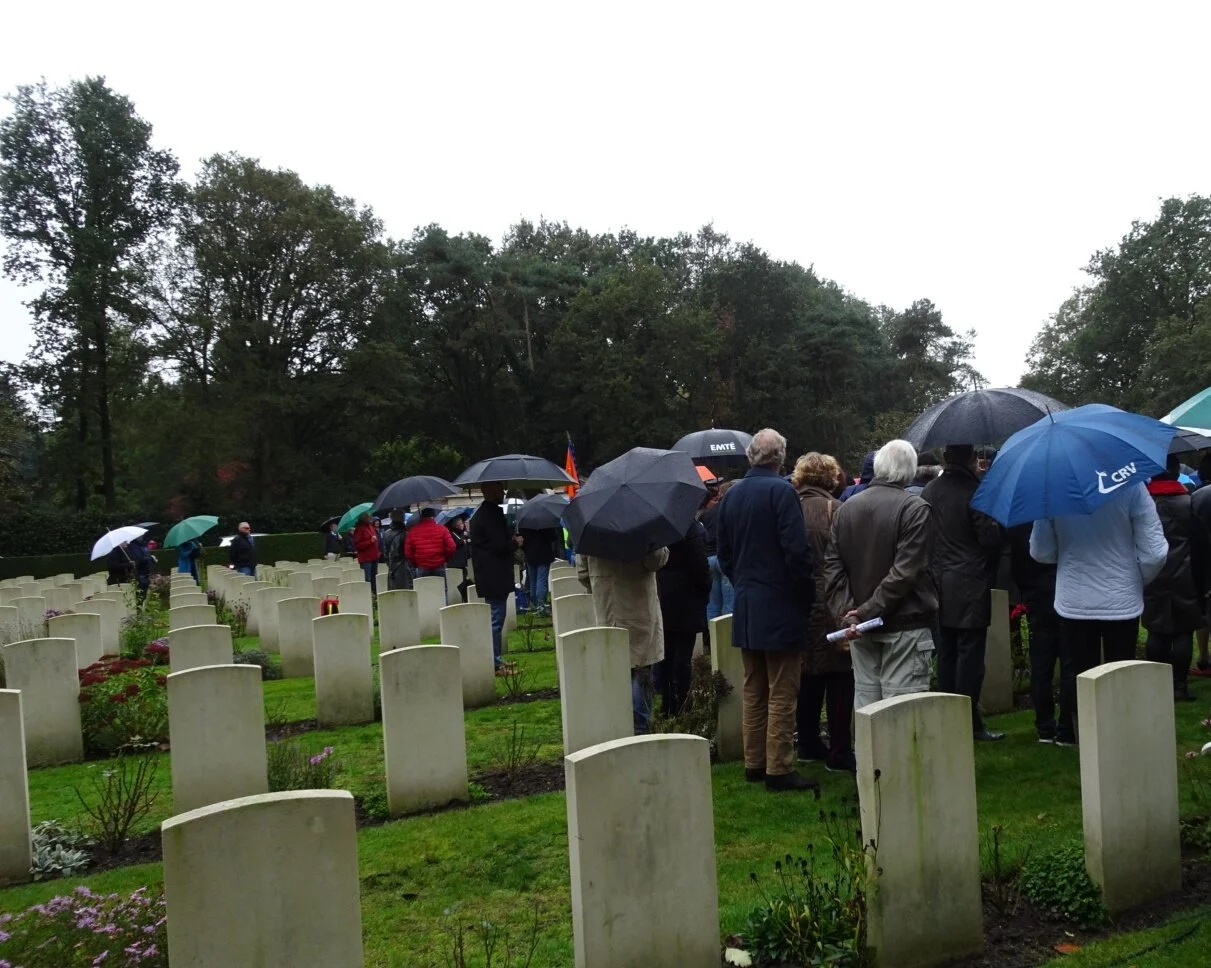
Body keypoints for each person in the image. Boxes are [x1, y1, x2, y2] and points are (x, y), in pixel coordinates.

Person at [716, 428, 817, 793]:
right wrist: (806, 594)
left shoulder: (731, 495)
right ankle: (778, 767)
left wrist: (745, 584)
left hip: (747, 603)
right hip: (780, 603)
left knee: (754, 687)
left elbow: (724, 554)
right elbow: (796, 552)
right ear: (781, 457)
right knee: (782, 689)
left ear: (751, 456)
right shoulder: (782, 492)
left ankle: (754, 761)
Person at [1031, 480, 1168, 746]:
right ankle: (1122, 736)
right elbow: (1155, 553)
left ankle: (1078, 736)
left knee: (1079, 673)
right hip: (1121, 597)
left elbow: (1040, 551)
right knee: (1121, 672)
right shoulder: (1131, 485)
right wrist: (1138, 579)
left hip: (1076, 597)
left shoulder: (1054, 488)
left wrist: (1069, 553)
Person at [824, 440, 938, 712]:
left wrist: (850, 614)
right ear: (910, 470)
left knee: (868, 711)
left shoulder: (846, 508)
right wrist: (860, 615)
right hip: (903, 626)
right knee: (901, 713)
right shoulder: (914, 509)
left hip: (862, 627)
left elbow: (832, 569)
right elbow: (905, 572)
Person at [921, 445, 1006, 741]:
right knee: (970, 656)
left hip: (938, 579)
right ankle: (970, 722)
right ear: (970, 459)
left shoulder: (929, 491)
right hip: (969, 581)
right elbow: (989, 538)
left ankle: (948, 716)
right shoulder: (975, 491)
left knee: (946, 652)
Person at [792, 452, 855, 773]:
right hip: (833, 601)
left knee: (807, 674)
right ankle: (839, 750)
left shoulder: (788, 509)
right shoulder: (838, 510)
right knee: (841, 675)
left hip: (798, 602)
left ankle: (807, 742)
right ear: (831, 477)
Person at [578, 545, 670, 734]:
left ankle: (618, 725)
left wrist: (601, 587)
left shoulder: (592, 533)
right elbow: (655, 561)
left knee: (615, 669)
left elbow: (583, 573)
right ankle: (640, 727)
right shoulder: (641, 529)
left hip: (607, 608)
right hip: (639, 604)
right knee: (642, 666)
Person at [1143, 455, 1210, 701]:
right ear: (1174, 471)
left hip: (1153, 574)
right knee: (1183, 632)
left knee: (1155, 630)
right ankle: (1179, 687)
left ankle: (1155, 685)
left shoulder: (1145, 504)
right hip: (1185, 575)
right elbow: (1202, 544)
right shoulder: (1188, 504)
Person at [1009, 523, 1063, 742]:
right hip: (1063, 589)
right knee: (1068, 661)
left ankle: (1045, 725)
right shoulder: (1064, 517)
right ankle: (1066, 724)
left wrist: (1028, 590)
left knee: (1041, 664)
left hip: (1037, 594)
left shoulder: (1020, 522)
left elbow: (1016, 566)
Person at [655, 514, 711, 717]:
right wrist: (705, 589)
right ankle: (682, 702)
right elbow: (700, 566)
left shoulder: (658, 526)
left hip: (663, 592)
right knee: (683, 656)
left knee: (667, 654)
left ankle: (667, 702)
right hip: (686, 596)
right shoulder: (689, 527)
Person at [471, 482, 521, 671]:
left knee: (497, 617)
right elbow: (499, 545)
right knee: (495, 620)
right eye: (499, 489)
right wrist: (515, 543)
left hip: (490, 573)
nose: (503, 492)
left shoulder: (482, 513)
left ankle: (496, 659)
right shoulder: (491, 514)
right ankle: (494, 662)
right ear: (489, 491)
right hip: (494, 574)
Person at [700, 481, 735, 623]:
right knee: (729, 602)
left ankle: (711, 633)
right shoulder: (730, 512)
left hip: (708, 558)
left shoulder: (706, 514)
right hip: (724, 557)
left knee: (712, 603)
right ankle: (728, 634)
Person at [405, 508, 457, 597]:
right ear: (433, 516)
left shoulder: (412, 531)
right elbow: (452, 547)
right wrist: (445, 558)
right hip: (439, 564)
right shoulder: (442, 529)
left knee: (423, 593)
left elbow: (408, 553)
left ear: (422, 517)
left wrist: (416, 563)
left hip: (422, 566)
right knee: (441, 591)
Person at [518, 519, 560, 616]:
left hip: (530, 555)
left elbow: (521, 541)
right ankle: (541, 605)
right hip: (544, 554)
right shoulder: (546, 522)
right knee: (541, 580)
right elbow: (554, 537)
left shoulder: (524, 523)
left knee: (533, 581)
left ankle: (534, 603)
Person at [351, 512, 381, 594]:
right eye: (368, 517)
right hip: (366, 559)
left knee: (374, 577)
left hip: (374, 556)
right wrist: (370, 541)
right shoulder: (359, 529)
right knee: (368, 579)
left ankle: (375, 593)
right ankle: (369, 594)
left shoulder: (370, 526)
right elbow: (357, 545)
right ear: (363, 519)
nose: (371, 518)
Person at [446, 513, 473, 602]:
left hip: (464, 562)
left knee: (466, 580)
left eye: (463, 523)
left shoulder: (463, 534)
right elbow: (452, 546)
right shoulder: (451, 533)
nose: (462, 525)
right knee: (461, 581)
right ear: (455, 525)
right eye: (460, 523)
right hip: (456, 562)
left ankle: (465, 598)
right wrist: (460, 542)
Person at [382, 509, 411, 590]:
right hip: (406, 565)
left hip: (392, 566)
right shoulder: (407, 533)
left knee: (394, 589)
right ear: (403, 519)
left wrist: (390, 564)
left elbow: (385, 552)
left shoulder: (386, 533)